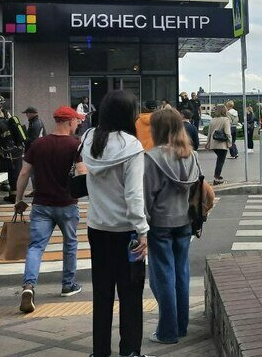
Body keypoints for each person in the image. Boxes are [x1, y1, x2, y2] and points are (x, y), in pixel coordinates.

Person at [81, 89, 149, 357]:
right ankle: (130, 351)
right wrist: (142, 230)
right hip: (127, 233)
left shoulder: (88, 139)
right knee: (131, 294)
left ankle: (100, 352)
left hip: (97, 229)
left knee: (102, 293)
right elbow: (134, 195)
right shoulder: (131, 146)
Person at [13, 106, 87, 314]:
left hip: (42, 205)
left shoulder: (38, 144)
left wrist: (19, 199)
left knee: (36, 246)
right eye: (76, 121)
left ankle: (29, 286)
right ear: (69, 121)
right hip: (67, 204)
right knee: (70, 243)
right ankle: (68, 284)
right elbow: (82, 172)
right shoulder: (75, 145)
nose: (78, 124)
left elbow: (24, 173)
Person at [144, 109, 202, 345]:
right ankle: (181, 326)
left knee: (163, 277)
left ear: (157, 129)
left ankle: (167, 332)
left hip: (160, 223)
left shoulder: (152, 157)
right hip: (184, 221)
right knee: (181, 274)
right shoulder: (191, 155)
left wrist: (141, 226)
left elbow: (146, 195)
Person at [205, 104, 231, 185]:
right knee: (220, 161)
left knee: (219, 159)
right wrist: (230, 143)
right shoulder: (226, 119)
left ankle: (218, 176)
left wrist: (208, 143)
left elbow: (209, 132)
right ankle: (216, 178)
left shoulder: (212, 120)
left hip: (214, 143)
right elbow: (227, 133)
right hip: (222, 143)